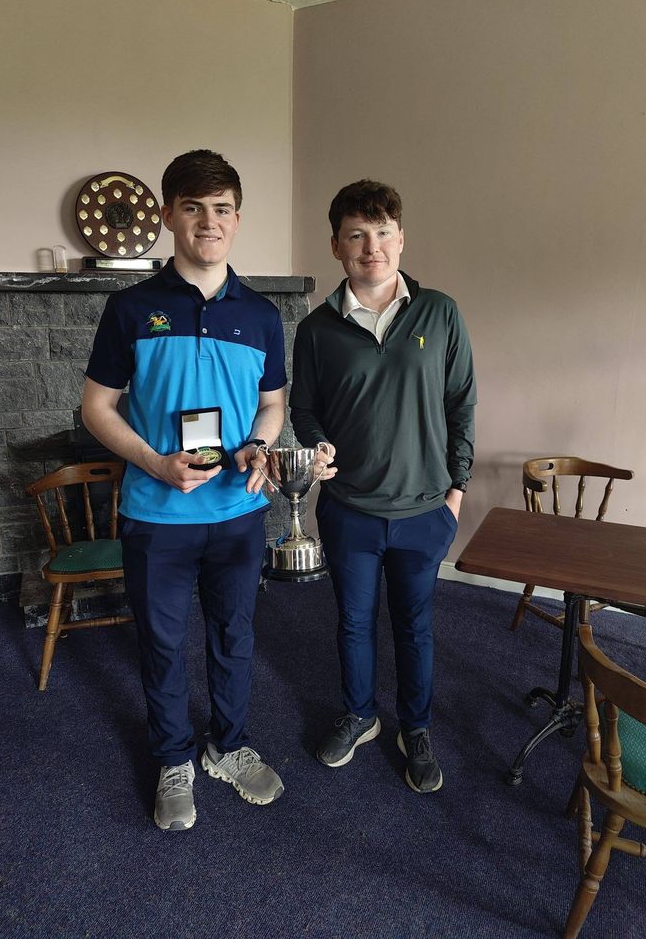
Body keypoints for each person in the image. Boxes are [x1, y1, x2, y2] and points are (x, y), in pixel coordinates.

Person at [82, 150, 287, 831]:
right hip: (156, 514)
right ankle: (173, 758)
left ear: (237, 218)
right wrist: (153, 462)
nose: (209, 221)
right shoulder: (130, 308)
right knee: (164, 643)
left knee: (234, 636)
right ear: (169, 215)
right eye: (194, 207)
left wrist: (259, 443)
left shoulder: (259, 314)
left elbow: (273, 405)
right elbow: (97, 408)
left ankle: (227, 746)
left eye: (222, 208)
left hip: (237, 513)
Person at [290, 179, 476, 793]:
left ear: (401, 238)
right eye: (357, 236)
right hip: (348, 511)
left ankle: (415, 727)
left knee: (415, 624)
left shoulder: (440, 312)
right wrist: (315, 441)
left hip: (425, 510)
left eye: (383, 233)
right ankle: (361, 713)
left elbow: (461, 405)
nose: (373, 247)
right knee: (352, 621)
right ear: (338, 246)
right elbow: (305, 408)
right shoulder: (317, 329)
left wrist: (456, 492)